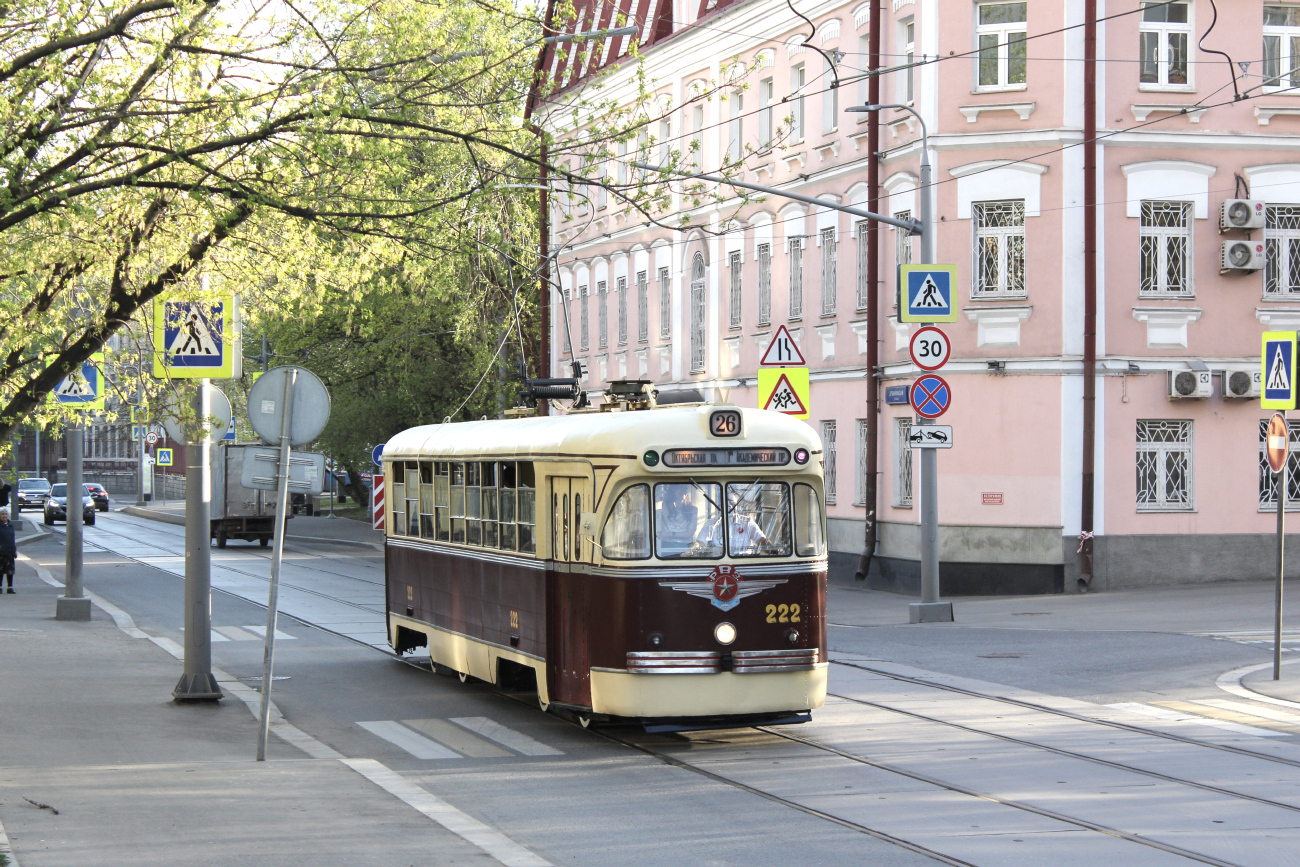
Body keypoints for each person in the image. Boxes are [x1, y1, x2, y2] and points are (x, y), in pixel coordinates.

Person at [0, 506, 16, 594]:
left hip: (10, 550)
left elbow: (12, 538)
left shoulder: (10, 525)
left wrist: (14, 550)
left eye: (5, 514)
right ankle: (0, 587)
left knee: (10, 570)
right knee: (1, 570)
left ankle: (10, 587)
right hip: (1, 551)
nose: (4, 516)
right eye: (2, 514)